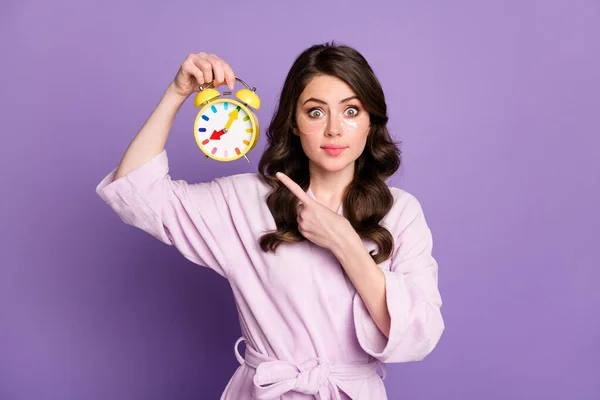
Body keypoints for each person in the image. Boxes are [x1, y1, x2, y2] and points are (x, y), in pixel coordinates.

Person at [95, 42, 444, 400]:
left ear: (371, 122)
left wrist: (344, 241)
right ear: (293, 122)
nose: (334, 130)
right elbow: (135, 192)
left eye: (351, 111)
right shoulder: (245, 201)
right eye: (315, 112)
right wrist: (177, 93)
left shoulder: (400, 212)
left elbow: (419, 333)